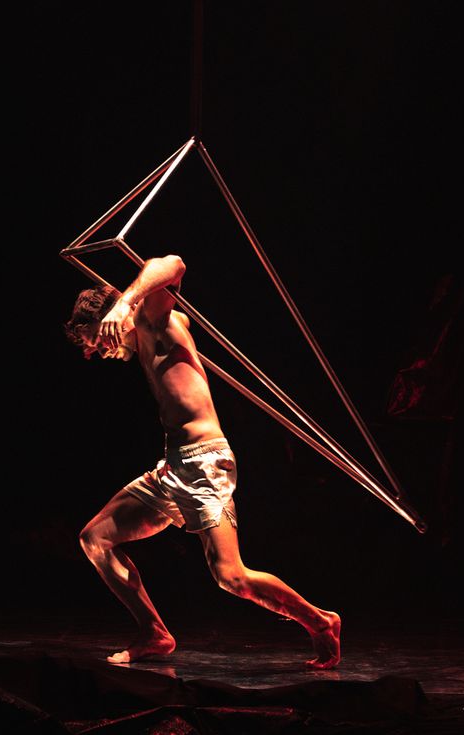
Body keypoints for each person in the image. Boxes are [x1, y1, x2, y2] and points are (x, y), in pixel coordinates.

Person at [64, 255, 341, 668]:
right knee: (95, 539)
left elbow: (171, 263)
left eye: (97, 339)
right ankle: (155, 633)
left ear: (110, 317)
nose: (98, 350)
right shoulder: (144, 338)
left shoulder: (152, 320)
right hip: (174, 466)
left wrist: (126, 303)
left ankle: (320, 622)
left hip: (205, 464)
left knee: (230, 577)